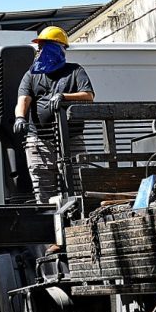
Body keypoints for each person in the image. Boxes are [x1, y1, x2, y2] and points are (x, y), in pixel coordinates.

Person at [13, 26, 95, 203]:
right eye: (39, 47)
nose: (40, 51)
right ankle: (50, 222)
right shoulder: (31, 75)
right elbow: (23, 100)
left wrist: (64, 97)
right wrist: (20, 117)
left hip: (71, 138)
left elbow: (88, 96)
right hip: (40, 140)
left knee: (77, 182)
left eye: (44, 46)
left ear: (58, 48)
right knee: (43, 188)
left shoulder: (75, 71)